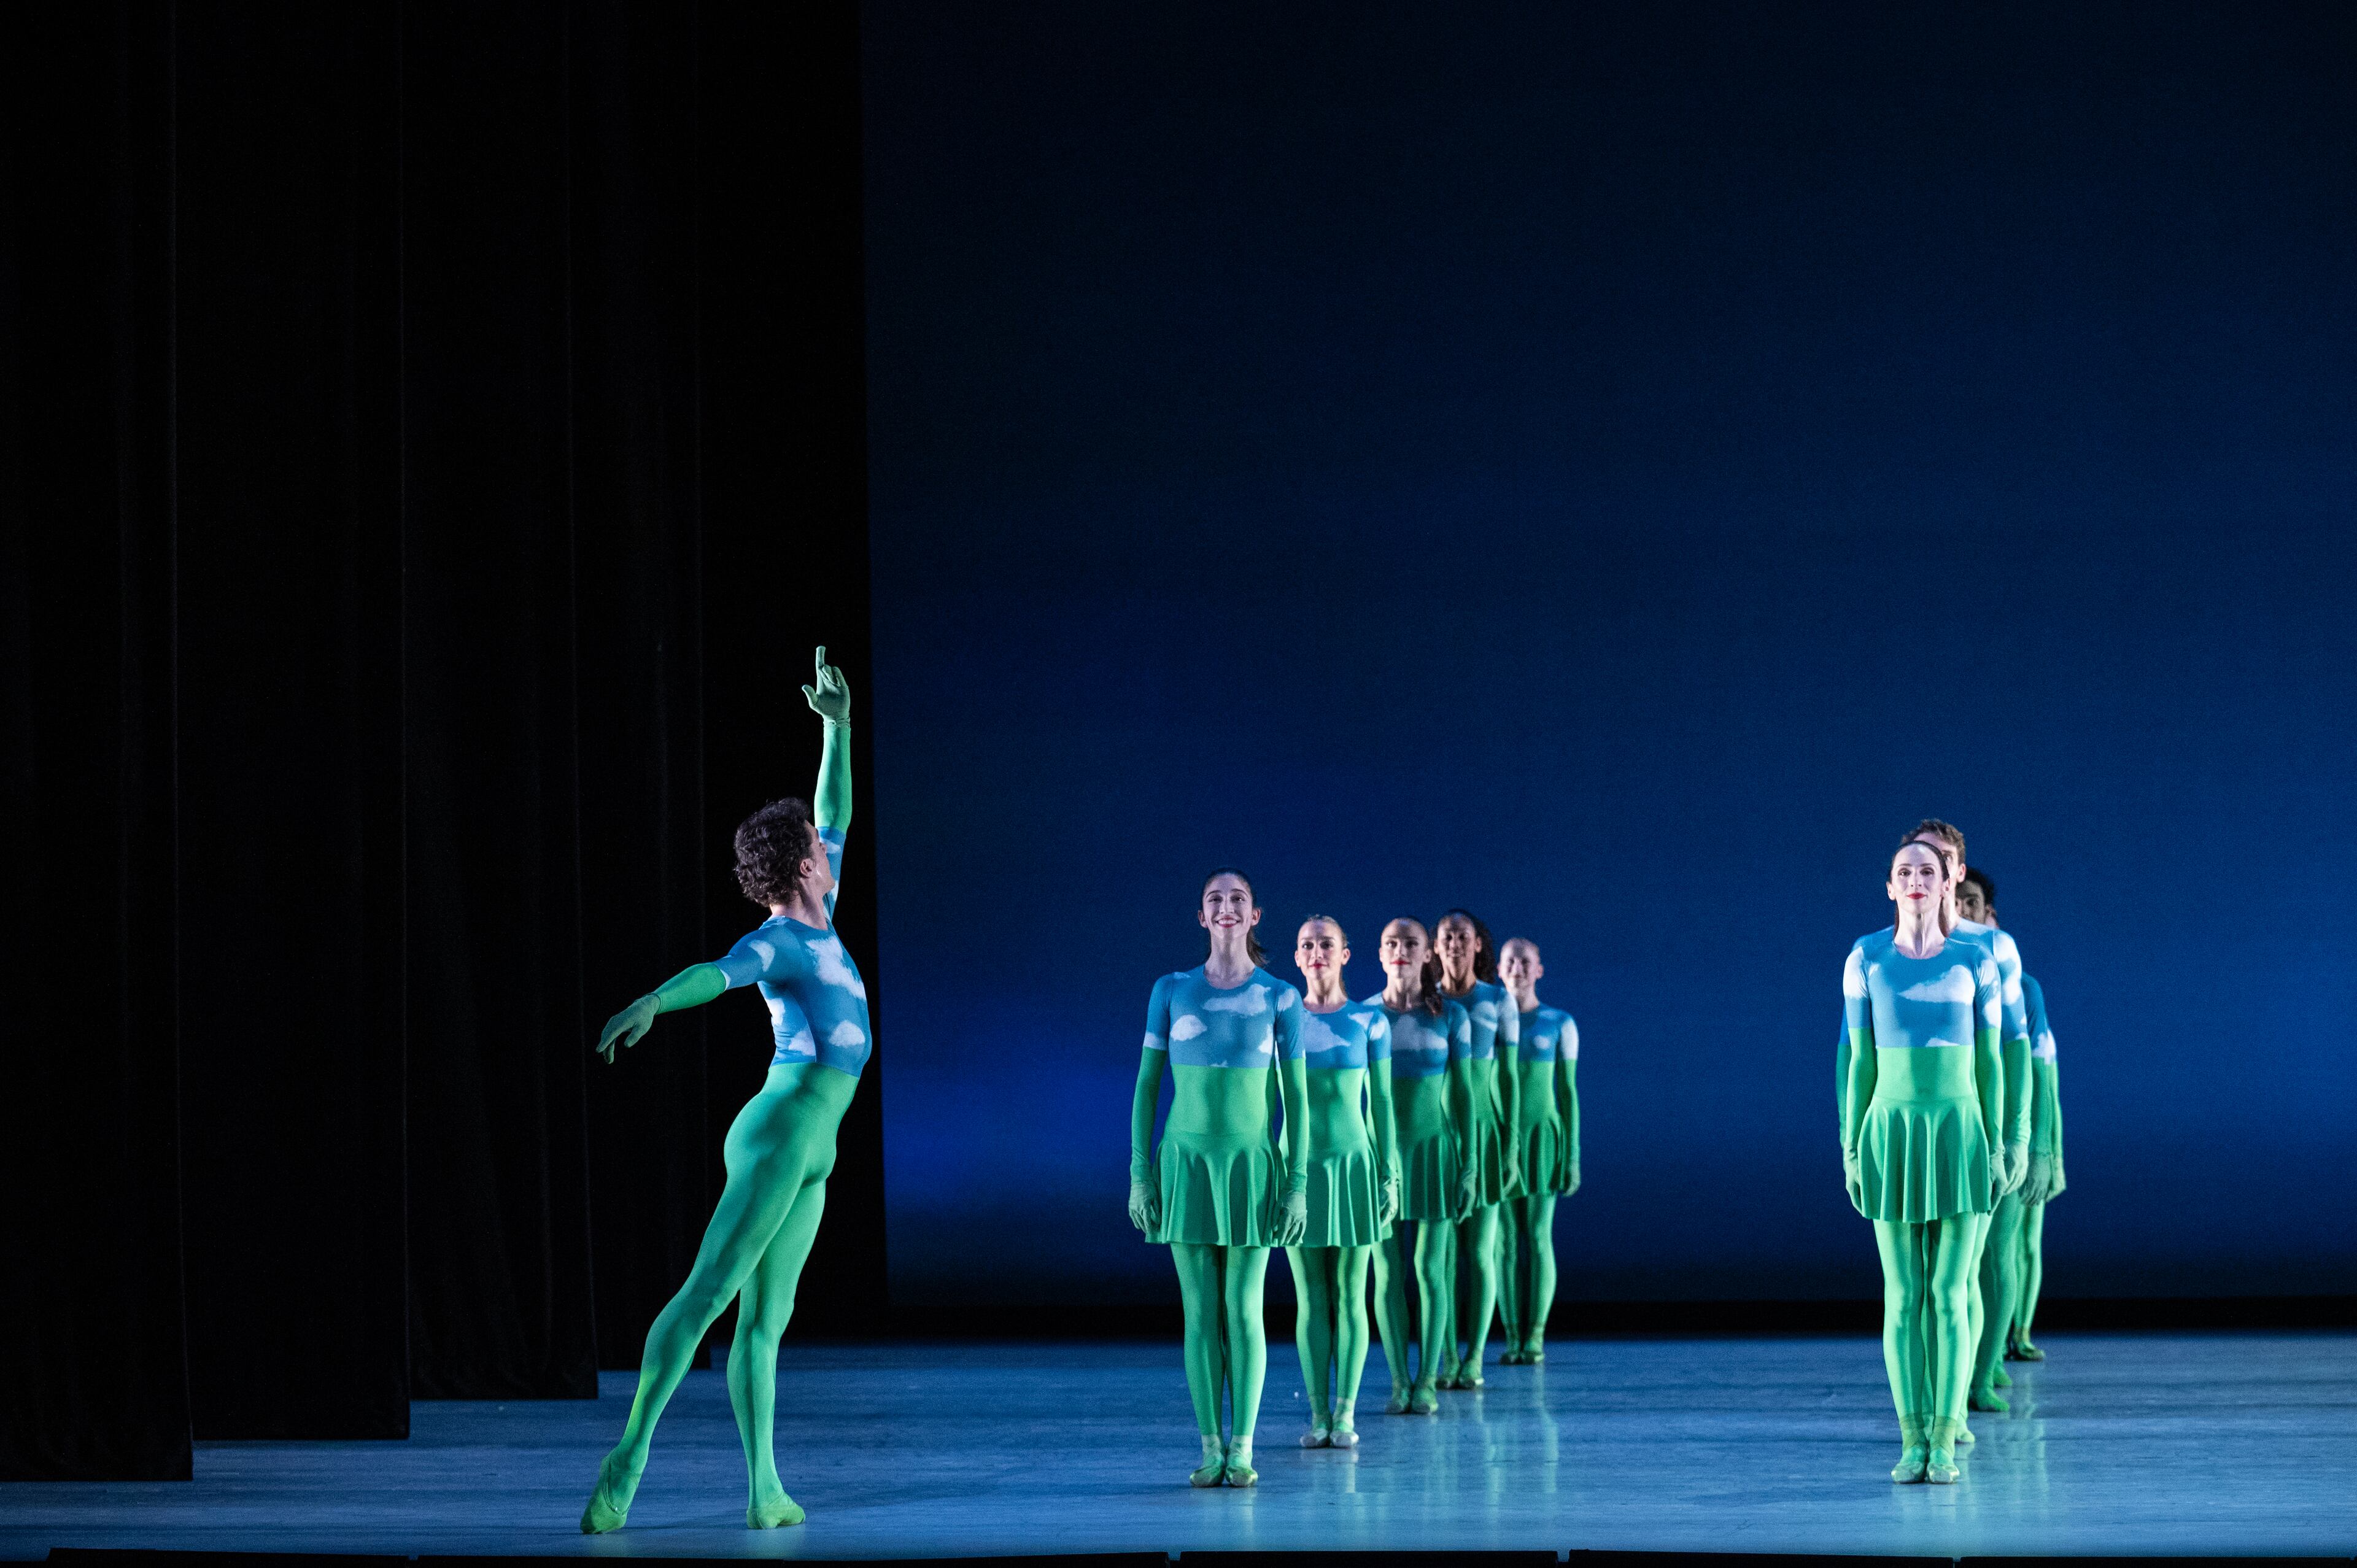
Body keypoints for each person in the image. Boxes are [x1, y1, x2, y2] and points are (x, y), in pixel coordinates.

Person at [581, 649, 869, 1533]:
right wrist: (653, 1001)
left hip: (814, 1145)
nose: (828, 847)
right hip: (781, 1129)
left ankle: (763, 1489)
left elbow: (835, 808)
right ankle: (629, 1453)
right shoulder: (778, 939)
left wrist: (836, 728)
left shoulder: (823, 912)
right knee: (709, 1292)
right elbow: (718, 972)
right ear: (801, 869)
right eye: (816, 849)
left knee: (766, 1319)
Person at [1128, 870, 1311, 1487]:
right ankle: (1211, 1447)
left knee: (1244, 1309)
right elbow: (1147, 1085)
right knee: (1201, 1312)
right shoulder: (1171, 989)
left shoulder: (1281, 996)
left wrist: (1296, 1184)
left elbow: (1298, 1101)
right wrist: (1140, 1173)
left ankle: (1244, 1446)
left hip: (1251, 1167)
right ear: (1201, 916)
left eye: (1238, 899)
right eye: (1215, 898)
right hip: (1184, 1164)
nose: (1226, 906)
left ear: (1255, 914)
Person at [1841, 839, 2004, 1485]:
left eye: (1927, 871)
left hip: (1961, 1133)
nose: (1915, 879)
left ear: (1946, 883)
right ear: (1890, 885)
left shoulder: (1977, 959)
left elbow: (1991, 1062)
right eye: (1904, 871)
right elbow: (1861, 1061)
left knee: (1949, 1293)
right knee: (1904, 1295)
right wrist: (1853, 1147)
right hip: (1892, 1131)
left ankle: (1944, 1436)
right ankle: (1912, 1438)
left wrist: (2002, 1143)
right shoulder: (1865, 958)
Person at [1906, 826, 2031, 1422]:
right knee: (1917, 1284)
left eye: (1943, 860)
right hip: (1911, 1133)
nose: (1930, 870)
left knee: (1964, 1275)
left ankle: (1963, 1395)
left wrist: (2018, 1137)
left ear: (1956, 870)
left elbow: (2015, 1049)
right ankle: (1927, 1403)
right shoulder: (1890, 949)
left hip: (1975, 1132)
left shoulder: (1992, 949)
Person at [1283, 917, 1399, 1448]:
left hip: (1354, 1168)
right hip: (1299, 1168)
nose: (1316, 952)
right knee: (1310, 1296)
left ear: (1346, 954)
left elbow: (1384, 1103)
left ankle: (1346, 1413)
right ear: (1297, 957)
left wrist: (1389, 1173)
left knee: (1352, 1292)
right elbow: (1266, 1100)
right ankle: (1317, 1414)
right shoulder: (1283, 1020)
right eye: (1307, 944)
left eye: (1326, 943)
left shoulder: (1370, 1021)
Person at [1365, 919, 1479, 1414]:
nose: (1400, 950)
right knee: (1388, 1272)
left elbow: (1465, 1095)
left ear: (1428, 953)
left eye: (1411, 943)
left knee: (1431, 1269)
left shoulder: (1452, 1015)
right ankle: (1398, 1381)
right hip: (1378, 1156)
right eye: (1391, 943)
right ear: (1380, 953)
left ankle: (1428, 1380)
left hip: (1435, 1153)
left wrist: (1469, 1165)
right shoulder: (1365, 1015)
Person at [1432, 910, 1517, 1388]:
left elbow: (1509, 1078)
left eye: (1463, 936)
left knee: (1480, 1252)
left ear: (1478, 944)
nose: (1455, 943)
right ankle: (1445, 1355)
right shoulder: (1429, 1000)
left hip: (1484, 1134)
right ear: (1436, 946)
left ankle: (1477, 1355)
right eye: (1447, 936)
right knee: (1441, 1256)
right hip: (1439, 1137)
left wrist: (1511, 1144)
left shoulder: (1497, 1000)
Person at [1496, 937, 1579, 1364]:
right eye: (1511, 962)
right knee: (1506, 1241)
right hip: (1500, 1140)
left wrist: (1572, 1154)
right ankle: (1512, 1336)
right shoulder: (1489, 1022)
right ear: (1499, 969)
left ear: (1539, 969)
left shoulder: (1558, 1022)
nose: (1518, 969)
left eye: (1526, 962)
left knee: (1539, 1235)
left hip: (1543, 1138)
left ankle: (1536, 1336)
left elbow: (1568, 1093)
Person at [2009, 968, 2065, 1360]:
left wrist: (2051, 1156)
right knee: (2003, 1247)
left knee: (2028, 1242)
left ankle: (2022, 1332)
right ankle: (1998, 1338)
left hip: (2031, 1143)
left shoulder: (2028, 999)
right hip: (2007, 1140)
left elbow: (2050, 1096)